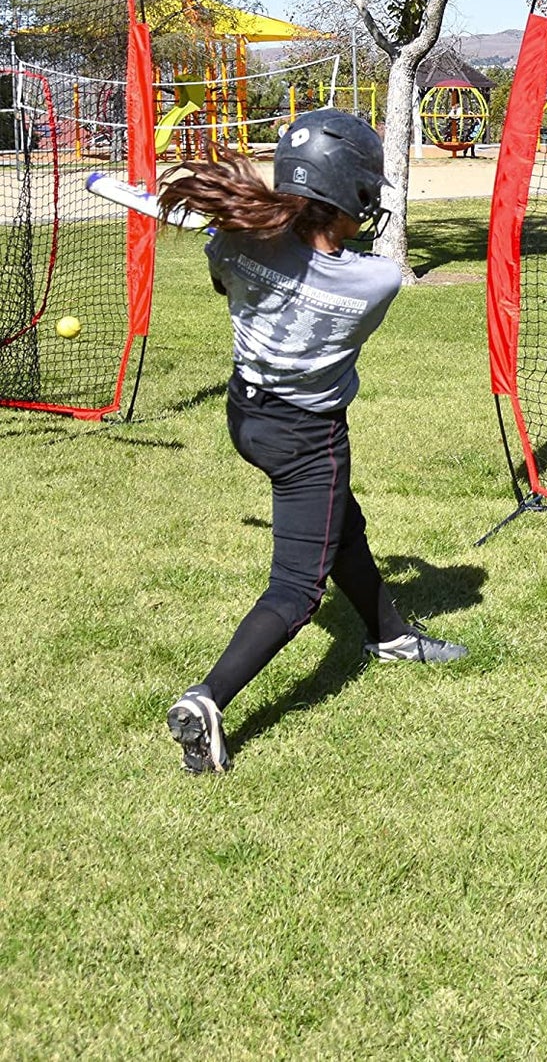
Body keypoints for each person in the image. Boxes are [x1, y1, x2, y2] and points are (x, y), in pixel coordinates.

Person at [158, 109, 466, 774]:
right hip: (307, 437)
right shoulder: (375, 281)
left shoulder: (237, 246)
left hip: (248, 417)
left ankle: (389, 635)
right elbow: (328, 263)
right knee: (298, 587)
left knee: (339, 524)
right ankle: (207, 698)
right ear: (345, 193)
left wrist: (243, 239)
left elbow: (223, 279)